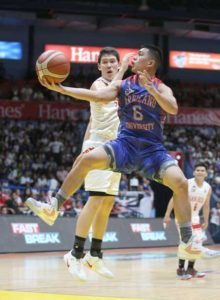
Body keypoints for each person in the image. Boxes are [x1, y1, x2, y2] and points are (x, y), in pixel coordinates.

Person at [26, 45, 202, 275]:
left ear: (149, 63)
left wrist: (153, 90)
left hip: (152, 151)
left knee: (180, 182)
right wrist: (61, 88)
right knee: (87, 160)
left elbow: (174, 108)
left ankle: (187, 239)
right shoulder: (122, 84)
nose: (133, 56)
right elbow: (98, 96)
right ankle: (54, 208)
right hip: (125, 146)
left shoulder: (161, 87)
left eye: (139, 55)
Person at [27, 47, 132, 281]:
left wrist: (82, 146)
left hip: (115, 149)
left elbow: (93, 120)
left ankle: (94, 256)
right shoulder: (99, 84)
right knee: (95, 201)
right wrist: (124, 67)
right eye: (104, 62)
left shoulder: (122, 88)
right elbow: (102, 94)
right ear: (99, 66)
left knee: (106, 205)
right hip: (101, 148)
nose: (109, 65)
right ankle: (74, 254)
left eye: (113, 62)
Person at [164, 163, 220, 280]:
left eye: (202, 170)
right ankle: (180, 269)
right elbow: (174, 199)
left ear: (206, 173)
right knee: (186, 241)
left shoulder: (207, 187)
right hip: (182, 216)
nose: (200, 172)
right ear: (194, 172)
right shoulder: (187, 183)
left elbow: (206, 206)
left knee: (197, 241)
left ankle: (190, 268)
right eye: (197, 170)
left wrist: (206, 220)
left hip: (195, 217)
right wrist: (167, 214)